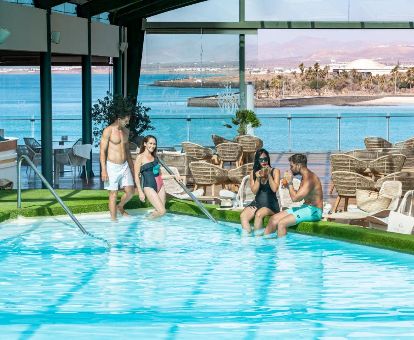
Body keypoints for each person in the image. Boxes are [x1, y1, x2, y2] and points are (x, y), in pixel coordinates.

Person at [264, 153, 323, 237]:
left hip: (314, 211)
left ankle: (281, 248)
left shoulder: (310, 178)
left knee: (282, 223)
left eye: (291, 166)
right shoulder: (304, 176)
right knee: (273, 219)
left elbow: (295, 198)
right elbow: (298, 195)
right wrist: (288, 185)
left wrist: (290, 182)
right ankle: (263, 243)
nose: (290, 169)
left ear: (298, 165)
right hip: (305, 207)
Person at [100, 112, 135, 221]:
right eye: (126, 120)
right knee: (113, 194)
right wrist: (104, 170)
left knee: (130, 191)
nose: (127, 123)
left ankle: (120, 206)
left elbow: (127, 151)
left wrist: (132, 167)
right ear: (119, 119)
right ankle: (114, 220)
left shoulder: (126, 131)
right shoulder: (108, 131)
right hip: (112, 166)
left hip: (124, 165)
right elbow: (102, 151)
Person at [240, 149, 280, 234]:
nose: (264, 161)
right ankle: (248, 238)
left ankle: (258, 241)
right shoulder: (253, 173)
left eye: (265, 159)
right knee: (243, 216)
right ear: (257, 160)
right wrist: (258, 178)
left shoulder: (275, 171)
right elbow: (254, 191)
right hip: (257, 203)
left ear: (268, 159)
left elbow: (275, 189)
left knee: (259, 214)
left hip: (271, 205)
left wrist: (269, 174)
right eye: (261, 159)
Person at [134, 135, 166, 218]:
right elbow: (136, 176)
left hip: (160, 186)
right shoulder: (140, 157)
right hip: (149, 187)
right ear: (145, 144)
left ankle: (154, 228)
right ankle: (146, 222)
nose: (152, 146)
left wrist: (174, 176)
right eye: (150, 143)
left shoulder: (155, 157)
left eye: (154, 144)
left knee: (159, 211)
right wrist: (140, 192)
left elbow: (159, 175)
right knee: (162, 211)